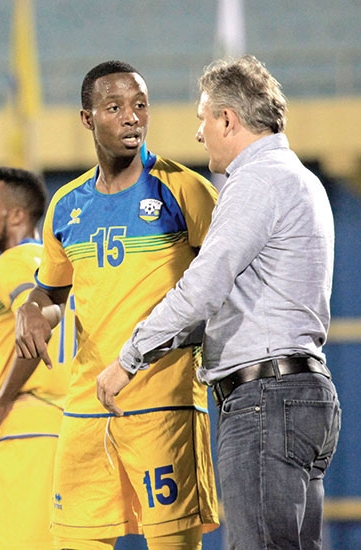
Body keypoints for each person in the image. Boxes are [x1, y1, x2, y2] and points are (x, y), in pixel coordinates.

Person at [97, 55, 342, 550]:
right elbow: (234, 300)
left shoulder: (256, 181)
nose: (198, 134)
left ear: (228, 119)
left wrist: (129, 357)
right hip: (302, 394)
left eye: (202, 119)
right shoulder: (300, 178)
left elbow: (203, 286)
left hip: (265, 400)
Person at [15, 60, 220, 549]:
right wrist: (32, 307)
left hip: (163, 404)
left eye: (140, 106)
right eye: (115, 107)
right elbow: (53, 295)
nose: (132, 118)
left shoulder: (185, 190)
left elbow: (226, 284)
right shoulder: (66, 205)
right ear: (87, 119)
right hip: (85, 405)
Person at [0, 166, 72, 549]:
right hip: (61, 427)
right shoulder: (54, 266)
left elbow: (39, 320)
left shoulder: (12, 262)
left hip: (23, 428)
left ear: (15, 215)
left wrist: (2, 401)